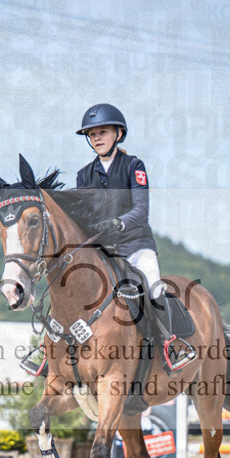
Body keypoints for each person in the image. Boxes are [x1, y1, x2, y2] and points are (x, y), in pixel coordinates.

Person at [75, 103, 196, 373]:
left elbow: (141, 210)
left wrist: (118, 222)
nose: (96, 138)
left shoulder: (133, 166)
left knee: (154, 287)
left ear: (118, 134)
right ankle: (53, 351)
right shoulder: (84, 175)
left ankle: (168, 346)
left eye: (102, 132)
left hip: (136, 246)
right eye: (92, 134)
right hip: (104, 252)